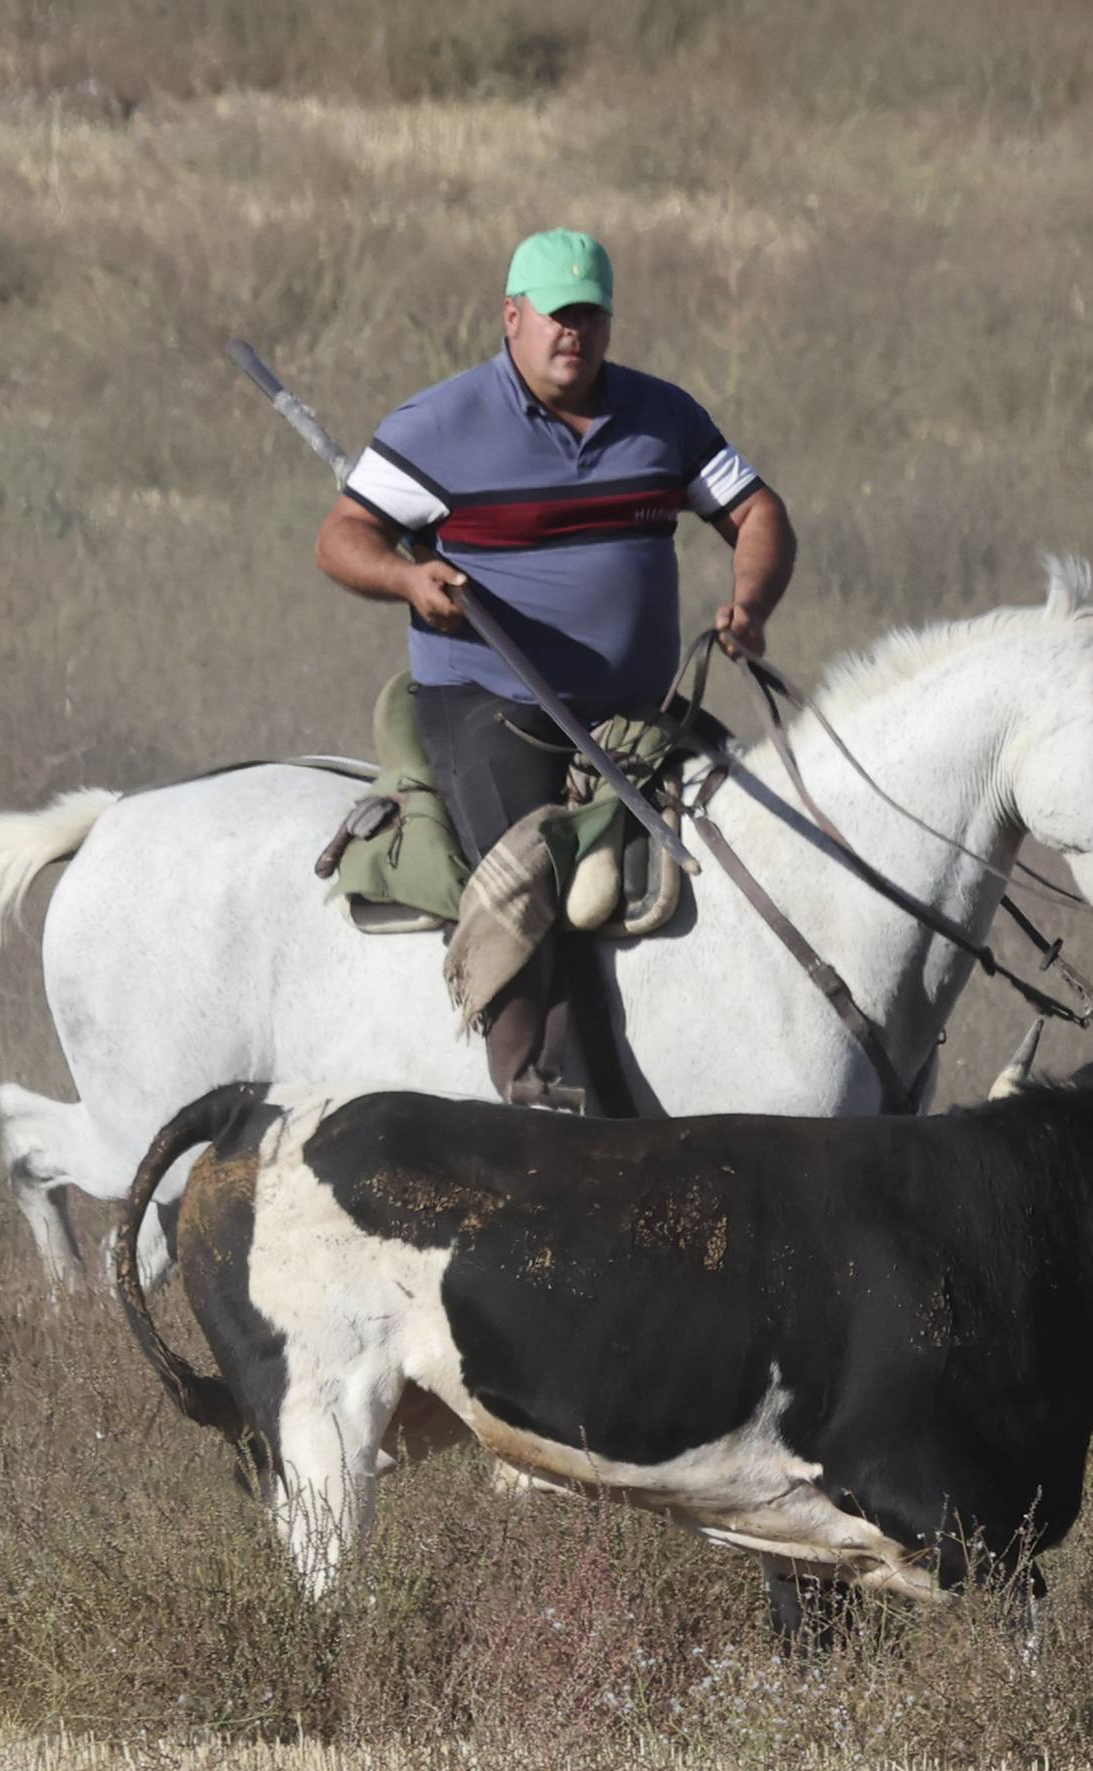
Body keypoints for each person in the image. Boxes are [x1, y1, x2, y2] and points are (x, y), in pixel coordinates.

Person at [315, 228, 797, 1112]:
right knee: (529, 869)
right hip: (487, 701)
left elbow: (757, 511)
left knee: (753, 826)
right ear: (512, 317)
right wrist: (408, 580)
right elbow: (343, 537)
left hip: (639, 710)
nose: (574, 333)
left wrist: (750, 603)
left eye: (591, 316)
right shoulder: (438, 425)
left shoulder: (664, 418)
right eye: (556, 316)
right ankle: (536, 1091)